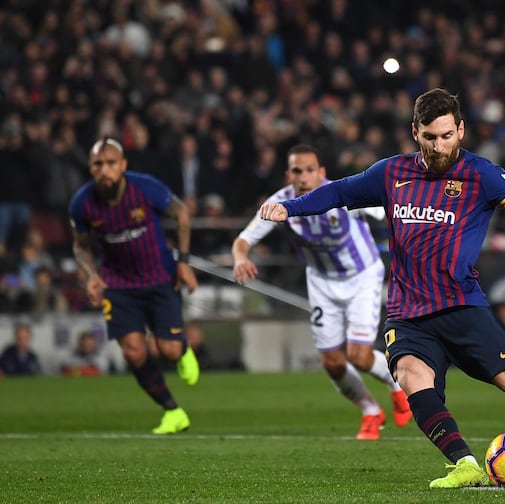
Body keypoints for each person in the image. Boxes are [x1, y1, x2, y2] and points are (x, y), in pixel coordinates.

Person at [259, 88, 505, 488]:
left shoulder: (482, 175)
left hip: (460, 305)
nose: (438, 146)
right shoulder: (391, 173)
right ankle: (464, 463)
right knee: (412, 376)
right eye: (430, 137)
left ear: (461, 130)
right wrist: (289, 208)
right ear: (415, 132)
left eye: (447, 136)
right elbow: (339, 192)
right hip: (407, 312)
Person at [232, 144, 412, 440]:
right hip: (321, 282)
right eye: (297, 171)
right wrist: (241, 258)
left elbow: (390, 212)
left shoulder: (344, 194)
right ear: (288, 174)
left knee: (360, 356)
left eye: (309, 170)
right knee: (332, 362)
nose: (303, 176)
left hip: (362, 276)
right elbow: (243, 240)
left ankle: (396, 386)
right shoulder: (279, 204)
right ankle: (370, 410)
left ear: (322, 172)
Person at [69, 137, 201, 435]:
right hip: (118, 285)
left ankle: (181, 350)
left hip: (159, 277)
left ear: (123, 165)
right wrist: (91, 274)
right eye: (98, 164)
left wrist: (183, 261)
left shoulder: (145, 187)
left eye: (111, 163)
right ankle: (172, 411)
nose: (105, 170)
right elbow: (80, 246)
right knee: (134, 353)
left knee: (167, 350)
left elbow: (181, 212)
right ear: (90, 168)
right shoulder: (82, 203)